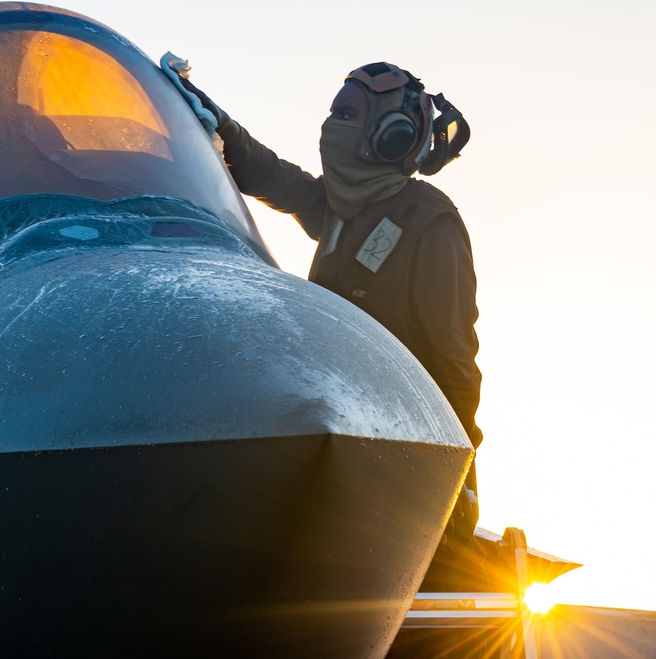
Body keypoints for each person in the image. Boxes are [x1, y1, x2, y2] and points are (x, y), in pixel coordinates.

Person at [168, 58, 484, 588]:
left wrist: (456, 482)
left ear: (388, 135)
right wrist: (209, 116)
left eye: (346, 114)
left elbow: (455, 366)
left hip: (411, 477)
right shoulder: (340, 210)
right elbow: (271, 175)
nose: (331, 126)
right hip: (347, 461)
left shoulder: (429, 219)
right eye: (333, 112)